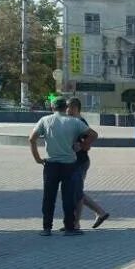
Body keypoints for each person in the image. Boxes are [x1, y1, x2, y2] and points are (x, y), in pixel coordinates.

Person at [30, 98, 97, 236]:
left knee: (49, 197)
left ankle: (46, 228)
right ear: (65, 107)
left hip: (51, 164)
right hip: (69, 164)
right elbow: (93, 134)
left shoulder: (45, 120)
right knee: (68, 196)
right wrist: (83, 146)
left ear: (52, 107)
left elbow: (32, 138)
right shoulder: (74, 122)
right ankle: (69, 228)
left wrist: (37, 158)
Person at [66, 98, 109, 229]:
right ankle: (97, 213)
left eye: (68, 107)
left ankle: (78, 222)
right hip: (76, 161)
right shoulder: (74, 121)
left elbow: (92, 135)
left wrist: (84, 145)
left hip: (80, 162)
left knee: (77, 192)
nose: (66, 110)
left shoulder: (80, 122)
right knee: (76, 191)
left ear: (75, 108)